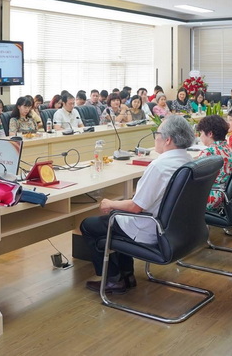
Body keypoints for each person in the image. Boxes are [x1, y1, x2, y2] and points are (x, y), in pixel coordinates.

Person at [79, 115, 195, 293]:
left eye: (157, 134)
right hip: (173, 228)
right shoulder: (188, 160)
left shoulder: (159, 166)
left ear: (168, 140)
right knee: (115, 218)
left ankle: (112, 279)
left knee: (89, 225)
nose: (155, 138)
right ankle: (127, 275)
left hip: (149, 228)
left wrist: (110, 202)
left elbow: (135, 207)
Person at [195, 115, 232, 212]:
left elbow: (195, 178)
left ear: (210, 134)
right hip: (226, 194)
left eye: (201, 133)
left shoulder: (208, 152)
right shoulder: (228, 148)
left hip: (211, 197)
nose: (200, 136)